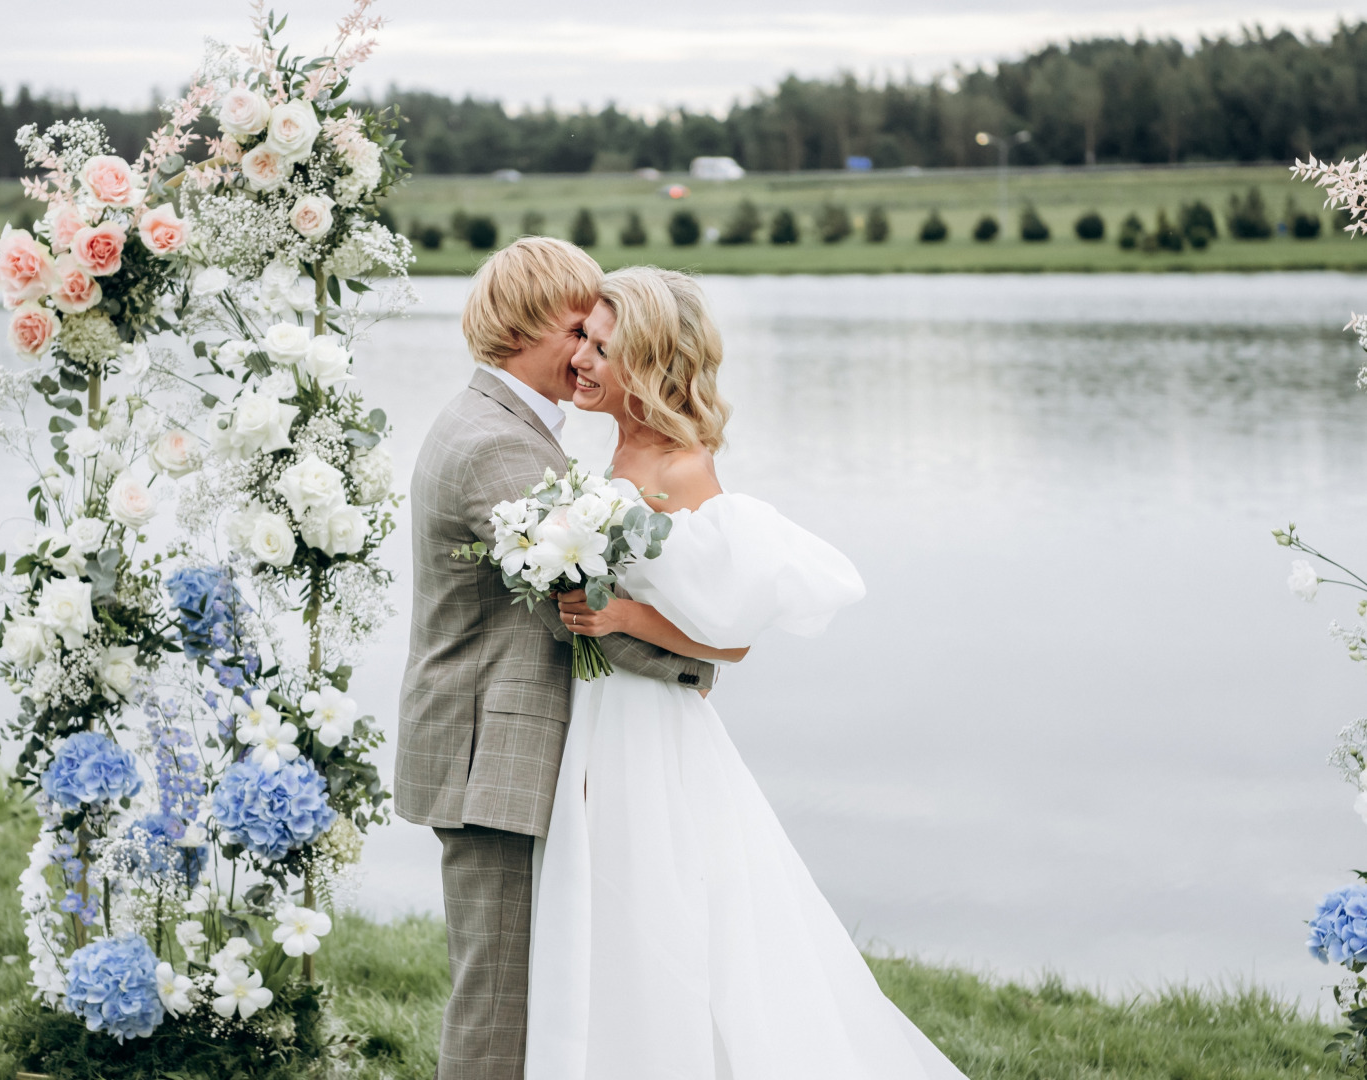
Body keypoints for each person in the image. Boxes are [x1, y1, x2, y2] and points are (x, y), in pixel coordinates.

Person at [525, 267, 969, 1080]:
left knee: (658, 900)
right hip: (599, 709)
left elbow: (729, 639)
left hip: (648, 724)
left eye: (602, 348)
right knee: (608, 901)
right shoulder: (615, 448)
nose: (581, 359)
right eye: (583, 339)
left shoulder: (680, 468)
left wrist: (621, 617)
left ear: (649, 362)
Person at [395, 238, 716, 1080]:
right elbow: (574, 611)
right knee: (499, 1007)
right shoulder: (501, 446)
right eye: (579, 329)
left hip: (492, 754)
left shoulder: (497, 423)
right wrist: (701, 657)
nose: (587, 352)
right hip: (491, 762)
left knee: (526, 997)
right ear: (534, 326)